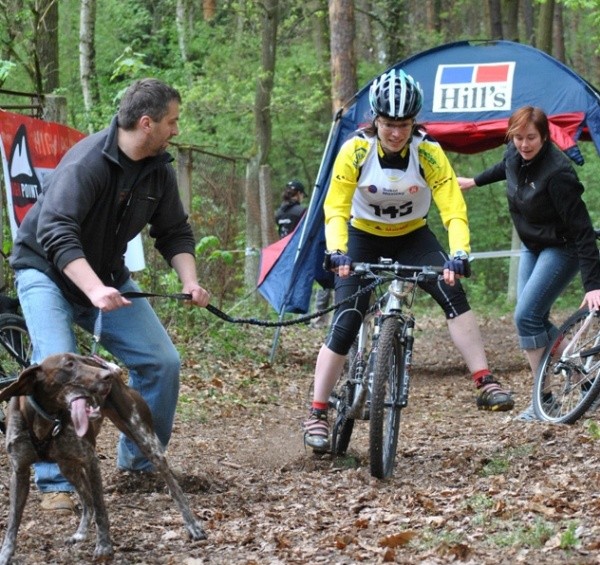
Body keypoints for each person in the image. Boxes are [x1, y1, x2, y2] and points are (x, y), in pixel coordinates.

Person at [9, 78, 211, 512]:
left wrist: (190, 281)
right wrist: (95, 288)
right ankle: (55, 481)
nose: (176, 129)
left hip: (106, 276)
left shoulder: (159, 169)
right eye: (172, 122)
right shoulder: (86, 164)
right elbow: (56, 234)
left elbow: (173, 230)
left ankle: (138, 467)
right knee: (57, 373)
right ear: (146, 123)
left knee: (161, 362)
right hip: (45, 271)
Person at [302, 69, 514, 452]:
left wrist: (460, 252)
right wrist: (338, 250)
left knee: (453, 292)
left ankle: (484, 380)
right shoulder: (355, 150)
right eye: (388, 125)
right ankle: (317, 412)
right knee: (346, 320)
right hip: (361, 236)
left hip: (412, 236)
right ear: (376, 121)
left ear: (414, 122)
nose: (396, 133)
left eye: (403, 125)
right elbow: (334, 206)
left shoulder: (429, 152)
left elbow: (452, 208)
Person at [457, 105, 600, 421]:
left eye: (531, 138)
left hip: (563, 248)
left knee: (526, 317)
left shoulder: (558, 174)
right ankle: (584, 382)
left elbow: (582, 231)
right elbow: (506, 167)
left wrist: (594, 285)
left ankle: (543, 401)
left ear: (544, 136)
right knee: (530, 320)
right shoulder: (514, 152)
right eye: (518, 137)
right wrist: (473, 182)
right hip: (532, 245)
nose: (524, 144)